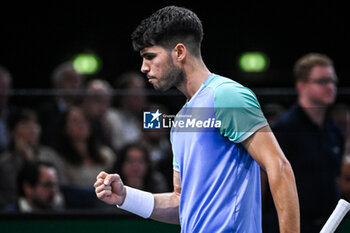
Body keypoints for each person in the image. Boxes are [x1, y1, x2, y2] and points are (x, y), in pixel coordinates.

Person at [94, 6, 299, 233]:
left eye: (150, 57)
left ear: (179, 52)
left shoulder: (227, 95)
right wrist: (125, 196)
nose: (144, 68)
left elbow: (278, 167)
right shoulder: (181, 120)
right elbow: (181, 203)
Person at [263, 53, 344, 233]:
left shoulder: (335, 132)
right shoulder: (284, 129)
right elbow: (266, 181)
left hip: (328, 225)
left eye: (333, 81)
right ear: (301, 85)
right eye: (322, 81)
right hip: (291, 226)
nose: (330, 87)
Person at [0, 108, 61, 209]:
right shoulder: (4, 162)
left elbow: (60, 186)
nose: (32, 129)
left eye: (35, 124)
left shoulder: (50, 155)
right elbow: (13, 190)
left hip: (51, 208)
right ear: (13, 132)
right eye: (25, 124)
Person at [38, 61, 82, 146]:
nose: (75, 84)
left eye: (77, 80)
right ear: (58, 83)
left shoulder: (82, 110)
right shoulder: (45, 111)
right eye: (70, 79)